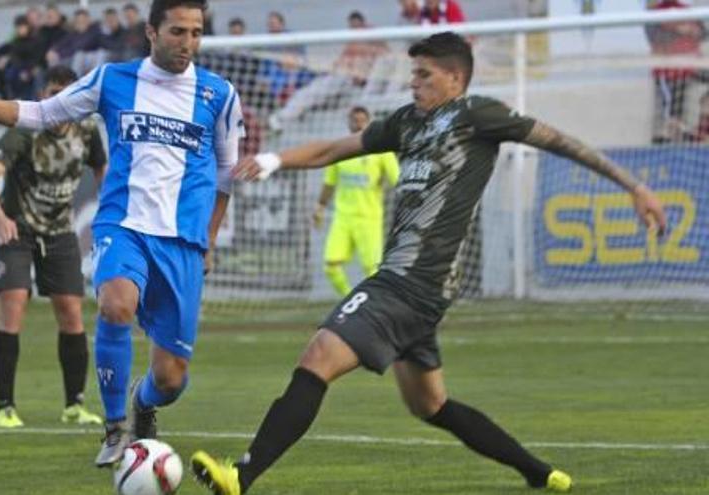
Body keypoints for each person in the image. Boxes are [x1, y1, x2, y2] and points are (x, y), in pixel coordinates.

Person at [190, 31, 668, 495]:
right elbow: (336, 148)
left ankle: (242, 476)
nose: (412, 83)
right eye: (412, 74)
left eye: (423, 75)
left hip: (408, 282)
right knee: (430, 404)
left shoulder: (478, 114)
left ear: (455, 79)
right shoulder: (406, 122)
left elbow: (559, 141)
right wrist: (274, 159)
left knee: (318, 356)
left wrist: (634, 186)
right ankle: (539, 473)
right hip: (418, 288)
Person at [0, 0, 244, 466]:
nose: (188, 43)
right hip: (123, 224)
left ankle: (144, 401)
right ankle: (115, 427)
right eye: (178, 32)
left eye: (196, 33)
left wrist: (210, 239)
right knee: (115, 305)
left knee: (172, 378)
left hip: (183, 241)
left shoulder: (220, 94)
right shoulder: (112, 80)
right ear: (151, 32)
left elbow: (226, 175)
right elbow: (39, 114)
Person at [0, 65, 107, 428]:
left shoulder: (89, 130)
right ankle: (5, 406)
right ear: (42, 96)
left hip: (60, 231)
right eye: (49, 93)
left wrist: (112, 205)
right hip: (17, 231)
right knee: (13, 306)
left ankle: (75, 405)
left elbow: (102, 169)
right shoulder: (24, 132)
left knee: (71, 313)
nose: (55, 100)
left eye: (62, 94)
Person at [313, 106, 399, 297]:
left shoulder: (382, 151)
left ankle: (378, 306)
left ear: (369, 123)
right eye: (355, 120)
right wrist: (320, 206)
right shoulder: (341, 150)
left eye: (362, 120)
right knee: (331, 266)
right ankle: (349, 301)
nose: (358, 124)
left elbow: (397, 181)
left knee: (372, 271)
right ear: (349, 123)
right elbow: (330, 183)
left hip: (369, 218)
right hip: (342, 218)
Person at [645, 0, 705, 143]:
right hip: (666, 71)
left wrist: (691, 30)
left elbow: (702, 32)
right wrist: (678, 28)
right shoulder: (654, 13)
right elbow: (654, 36)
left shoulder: (687, 10)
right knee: (668, 110)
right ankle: (663, 142)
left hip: (687, 69)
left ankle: (684, 138)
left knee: (681, 111)